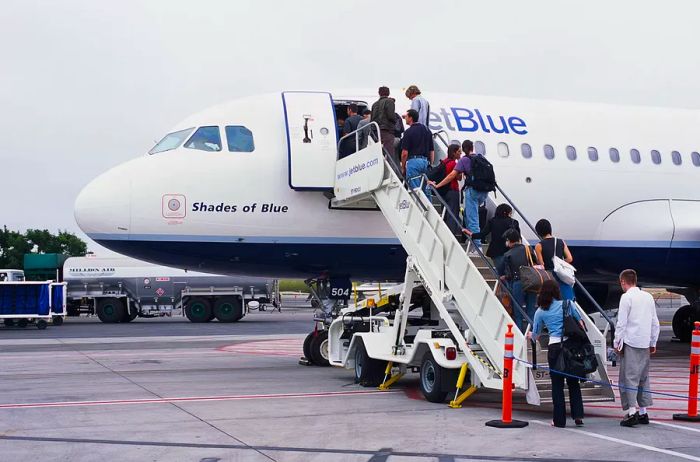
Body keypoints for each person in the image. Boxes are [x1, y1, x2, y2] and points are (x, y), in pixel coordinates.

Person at [528, 280, 585, 428]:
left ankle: (559, 420)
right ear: (556, 292)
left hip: (554, 348)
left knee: (557, 385)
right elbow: (581, 323)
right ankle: (578, 415)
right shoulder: (567, 305)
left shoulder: (540, 311)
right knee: (573, 382)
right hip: (571, 347)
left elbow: (536, 335)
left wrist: (530, 335)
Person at [614, 269, 660, 427]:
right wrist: (653, 342)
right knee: (643, 378)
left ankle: (632, 412)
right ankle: (643, 412)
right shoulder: (648, 296)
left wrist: (617, 343)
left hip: (631, 343)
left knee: (628, 378)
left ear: (623, 282)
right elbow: (655, 322)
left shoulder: (626, 297)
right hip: (645, 342)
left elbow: (621, 323)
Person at [500, 229, 536, 330]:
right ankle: (532, 336)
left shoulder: (508, 254)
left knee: (518, 312)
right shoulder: (528, 249)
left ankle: (520, 335)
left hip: (518, 283)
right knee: (531, 311)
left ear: (509, 240)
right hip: (531, 281)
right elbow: (535, 263)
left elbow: (509, 274)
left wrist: (504, 277)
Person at [472, 203, 519, 273]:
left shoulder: (492, 221)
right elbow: (518, 238)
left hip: (496, 251)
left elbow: (483, 234)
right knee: (511, 273)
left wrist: (472, 235)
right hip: (511, 251)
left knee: (501, 273)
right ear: (507, 212)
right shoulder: (514, 222)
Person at [534, 219, 575, 300]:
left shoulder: (539, 246)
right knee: (566, 297)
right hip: (561, 274)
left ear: (539, 232)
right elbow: (570, 258)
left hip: (549, 276)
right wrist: (559, 263)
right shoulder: (561, 241)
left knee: (553, 299)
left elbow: (542, 264)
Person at [400, 109, 434, 190]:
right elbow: (431, 150)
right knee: (426, 189)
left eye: (406, 116)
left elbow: (404, 153)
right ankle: (426, 202)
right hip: (425, 162)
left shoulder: (408, 132)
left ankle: (417, 203)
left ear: (411, 118)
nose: (405, 118)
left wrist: (403, 167)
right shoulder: (427, 130)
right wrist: (430, 164)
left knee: (415, 189)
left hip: (414, 162)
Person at [436, 144, 462, 236]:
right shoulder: (454, 164)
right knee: (453, 214)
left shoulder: (444, 162)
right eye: (459, 151)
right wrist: (461, 165)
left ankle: (443, 233)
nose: (460, 153)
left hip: (444, 191)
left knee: (445, 213)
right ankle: (451, 235)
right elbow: (459, 178)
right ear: (454, 153)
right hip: (453, 190)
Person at [371, 86, 396, 156]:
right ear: (388, 93)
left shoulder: (374, 104)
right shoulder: (390, 101)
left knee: (378, 154)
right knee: (389, 154)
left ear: (379, 93)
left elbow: (371, 119)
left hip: (376, 131)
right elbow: (391, 116)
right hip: (387, 130)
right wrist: (395, 121)